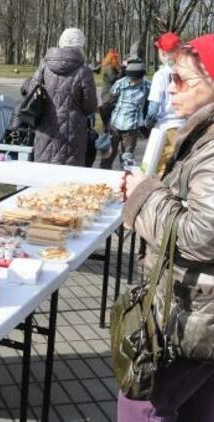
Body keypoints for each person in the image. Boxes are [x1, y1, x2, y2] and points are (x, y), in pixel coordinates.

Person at [118, 34, 214, 421]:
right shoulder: (201, 135)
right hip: (199, 311)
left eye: (182, 80)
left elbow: (201, 233)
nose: (171, 87)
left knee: (141, 403)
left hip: (194, 313)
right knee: (199, 406)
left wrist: (144, 193)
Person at [27, 27, 98, 165]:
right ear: (80, 45)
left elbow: (31, 94)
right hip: (73, 134)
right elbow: (90, 107)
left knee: (44, 175)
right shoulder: (84, 72)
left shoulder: (43, 67)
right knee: (69, 179)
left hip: (45, 130)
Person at [144, 32, 186, 176]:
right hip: (187, 124)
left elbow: (154, 106)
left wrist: (148, 123)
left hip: (168, 127)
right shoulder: (186, 71)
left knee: (163, 167)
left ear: (162, 53)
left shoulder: (160, 75)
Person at [99, 60, 151, 169]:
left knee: (127, 157)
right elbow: (108, 103)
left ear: (141, 77)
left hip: (132, 127)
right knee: (109, 154)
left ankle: (124, 178)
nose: (132, 82)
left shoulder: (147, 86)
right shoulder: (120, 83)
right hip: (115, 124)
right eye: (131, 79)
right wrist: (105, 123)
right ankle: (103, 174)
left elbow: (150, 104)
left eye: (136, 80)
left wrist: (147, 123)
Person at [99, 49, 123, 129]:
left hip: (110, 93)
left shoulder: (113, 67)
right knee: (107, 111)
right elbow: (113, 79)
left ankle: (108, 127)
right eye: (116, 58)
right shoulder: (108, 67)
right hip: (108, 93)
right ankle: (106, 127)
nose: (117, 60)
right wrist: (121, 72)